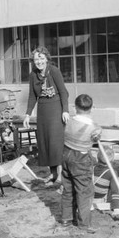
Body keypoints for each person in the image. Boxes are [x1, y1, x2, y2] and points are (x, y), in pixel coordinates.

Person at [24, 46, 70, 184]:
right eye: (36, 59)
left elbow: (63, 92)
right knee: (45, 142)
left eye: (41, 58)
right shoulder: (33, 75)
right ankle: (53, 174)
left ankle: (61, 175)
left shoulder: (54, 71)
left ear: (46, 59)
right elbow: (32, 96)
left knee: (56, 142)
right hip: (42, 110)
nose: (39, 62)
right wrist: (27, 114)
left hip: (56, 108)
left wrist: (65, 110)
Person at [60, 94, 102, 233]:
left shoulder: (68, 121)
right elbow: (96, 138)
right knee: (84, 191)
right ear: (91, 108)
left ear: (75, 107)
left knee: (67, 189)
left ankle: (66, 219)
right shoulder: (94, 127)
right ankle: (84, 224)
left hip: (66, 155)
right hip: (81, 159)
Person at [93, 146, 119, 218]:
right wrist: (116, 209)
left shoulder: (93, 167)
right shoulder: (111, 172)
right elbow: (115, 191)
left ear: (98, 157)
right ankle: (112, 206)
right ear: (111, 160)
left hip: (90, 195)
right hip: (101, 197)